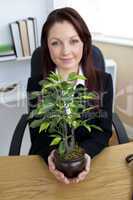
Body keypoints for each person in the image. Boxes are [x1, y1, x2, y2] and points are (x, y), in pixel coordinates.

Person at [27, 7, 113, 184]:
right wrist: (51, 156)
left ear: (84, 42)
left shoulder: (103, 81)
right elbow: (37, 137)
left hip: (92, 167)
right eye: (56, 43)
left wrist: (86, 154)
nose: (65, 51)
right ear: (47, 46)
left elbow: (103, 131)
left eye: (73, 41)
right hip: (47, 171)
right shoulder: (36, 85)